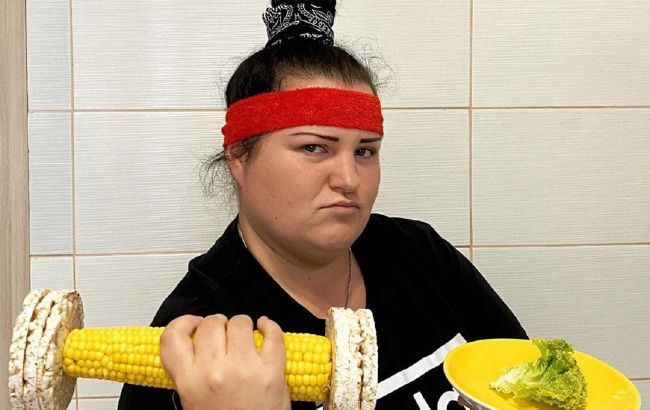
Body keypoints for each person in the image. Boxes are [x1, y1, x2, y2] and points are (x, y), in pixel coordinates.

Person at [118, 1, 527, 409]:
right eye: (314, 147)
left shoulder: (420, 254)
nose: (349, 179)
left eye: (365, 151)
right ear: (239, 157)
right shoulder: (193, 339)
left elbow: (531, 386)